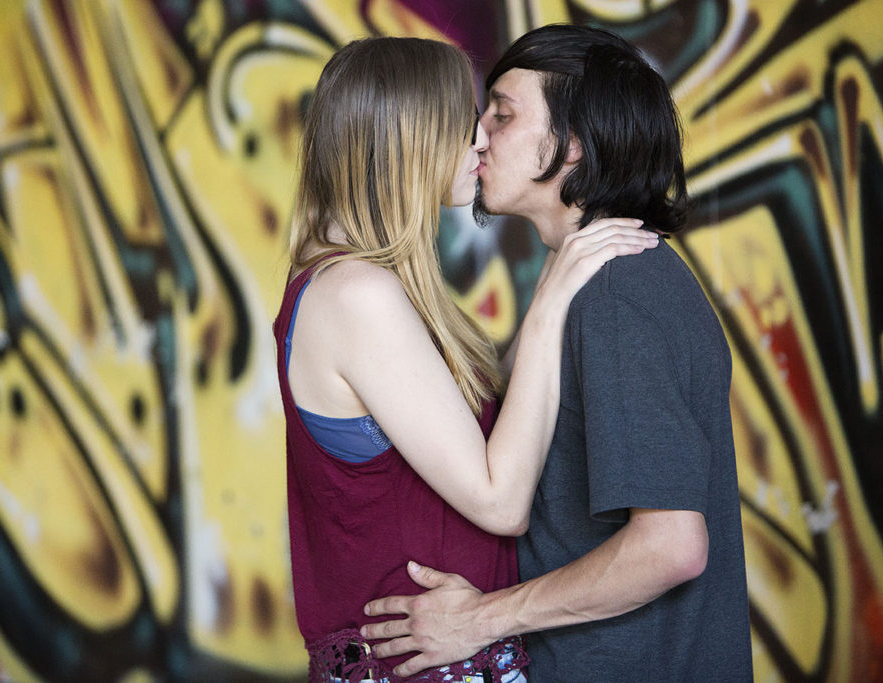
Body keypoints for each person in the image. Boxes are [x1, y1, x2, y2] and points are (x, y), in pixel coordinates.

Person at [361, 25, 753, 682]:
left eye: (503, 115)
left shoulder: (617, 291)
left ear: (571, 145)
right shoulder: (602, 281)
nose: (478, 136)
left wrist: (480, 618)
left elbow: (671, 545)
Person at [273, 36, 657, 681]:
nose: (481, 140)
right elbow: (501, 501)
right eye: (464, 121)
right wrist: (552, 294)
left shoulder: (354, 284)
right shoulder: (355, 294)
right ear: (407, 136)